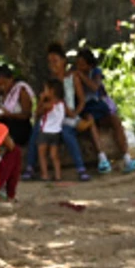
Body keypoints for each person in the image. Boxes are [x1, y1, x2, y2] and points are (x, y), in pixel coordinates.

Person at [75, 49, 132, 172]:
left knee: (115, 120)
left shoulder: (95, 72)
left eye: (82, 64)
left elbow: (95, 87)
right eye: (78, 64)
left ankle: (127, 157)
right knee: (90, 121)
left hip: (98, 105)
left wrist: (82, 76)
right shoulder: (74, 75)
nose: (79, 67)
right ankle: (102, 157)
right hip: (86, 107)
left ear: (89, 65)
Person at [41, 45, 90, 182]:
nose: (52, 65)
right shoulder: (49, 83)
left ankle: (81, 168)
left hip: (69, 118)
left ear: (64, 62)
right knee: (37, 133)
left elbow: (82, 100)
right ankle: (31, 168)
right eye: (50, 62)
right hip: (53, 118)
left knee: (67, 133)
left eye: (55, 61)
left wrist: (75, 113)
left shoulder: (72, 78)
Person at [0, 65, 36, 179]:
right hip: (7, 124)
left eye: (4, 83)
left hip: (20, 126)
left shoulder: (21, 90)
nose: (2, 86)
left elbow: (26, 115)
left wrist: (9, 114)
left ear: (11, 79)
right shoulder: (2, 94)